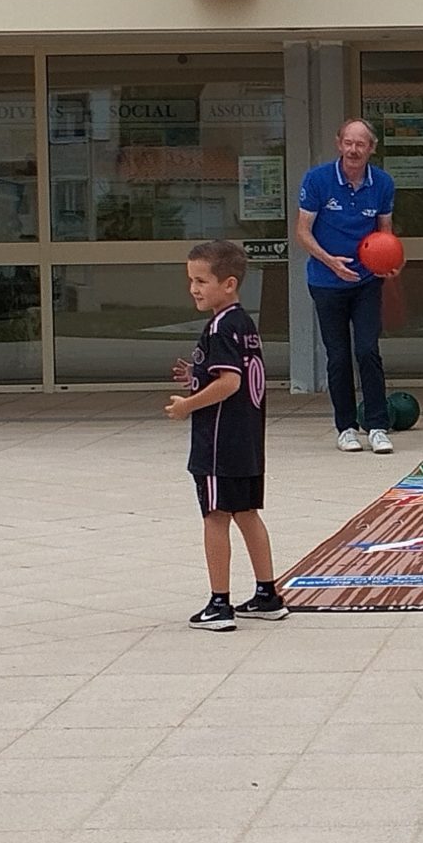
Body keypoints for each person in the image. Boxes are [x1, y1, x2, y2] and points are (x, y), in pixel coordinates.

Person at [166, 238, 288, 632]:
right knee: (246, 514)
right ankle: (268, 594)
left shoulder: (220, 327)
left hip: (219, 443)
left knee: (215, 516)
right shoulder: (244, 324)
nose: (194, 289)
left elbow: (230, 382)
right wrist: (196, 375)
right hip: (247, 440)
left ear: (229, 284)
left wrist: (188, 403)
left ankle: (219, 604)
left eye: (201, 281)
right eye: (191, 280)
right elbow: (228, 372)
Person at [296, 117, 400, 455]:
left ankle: (378, 425)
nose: (354, 149)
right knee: (338, 355)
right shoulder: (318, 180)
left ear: (371, 148)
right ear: (339, 144)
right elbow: (302, 232)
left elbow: (385, 231)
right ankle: (345, 427)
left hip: (366, 281)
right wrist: (330, 262)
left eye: (361, 144)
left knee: (368, 350)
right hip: (327, 281)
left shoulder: (382, 183)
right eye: (349, 143)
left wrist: (389, 262)